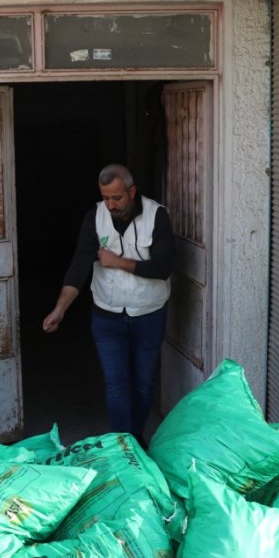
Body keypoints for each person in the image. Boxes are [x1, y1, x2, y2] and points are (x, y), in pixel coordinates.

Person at [42, 164, 175, 445]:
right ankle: (123, 445)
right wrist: (60, 308)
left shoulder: (156, 215)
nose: (111, 205)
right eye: (106, 198)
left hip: (148, 314)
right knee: (117, 385)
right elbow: (79, 266)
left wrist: (118, 262)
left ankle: (135, 438)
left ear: (132, 191)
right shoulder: (95, 218)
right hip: (107, 316)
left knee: (143, 384)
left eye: (117, 198)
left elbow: (163, 267)